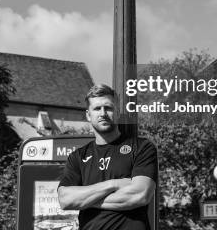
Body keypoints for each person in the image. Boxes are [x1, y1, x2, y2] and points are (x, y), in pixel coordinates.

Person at [57, 84, 157, 230]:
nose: (103, 113)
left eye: (108, 108)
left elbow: (140, 195)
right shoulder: (78, 157)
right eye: (97, 108)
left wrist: (84, 200)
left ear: (117, 112)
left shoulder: (142, 147)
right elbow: (65, 200)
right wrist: (113, 184)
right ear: (88, 115)